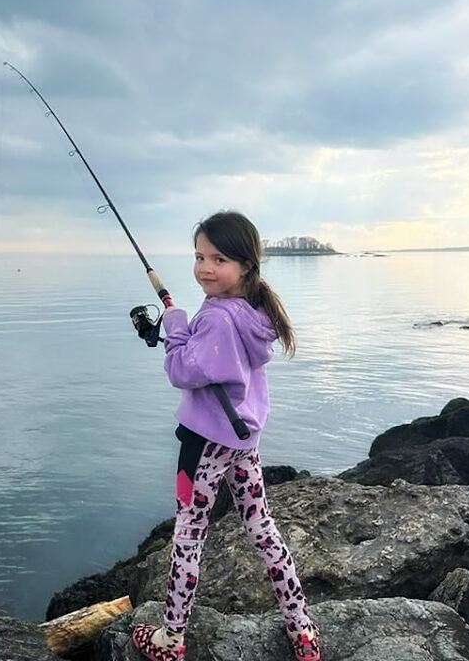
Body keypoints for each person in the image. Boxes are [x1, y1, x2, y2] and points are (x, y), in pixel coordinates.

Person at [130, 211, 320, 661]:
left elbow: (184, 370)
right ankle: (302, 629)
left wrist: (175, 325)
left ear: (246, 265)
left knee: (188, 534)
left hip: (204, 445)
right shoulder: (254, 311)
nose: (205, 268)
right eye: (199, 257)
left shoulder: (216, 317)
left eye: (219, 259)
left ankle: (171, 639)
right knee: (261, 527)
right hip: (244, 441)